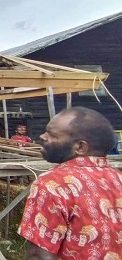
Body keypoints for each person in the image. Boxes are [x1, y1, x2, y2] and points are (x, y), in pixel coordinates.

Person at [19, 107, 122, 259]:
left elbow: (39, 256)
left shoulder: (52, 184)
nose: (42, 136)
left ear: (80, 147)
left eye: (52, 135)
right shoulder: (118, 178)